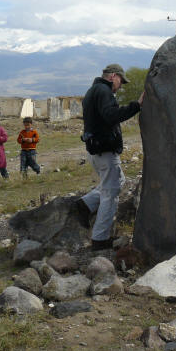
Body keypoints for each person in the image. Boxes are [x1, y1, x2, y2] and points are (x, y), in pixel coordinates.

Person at [75, 64, 144, 251]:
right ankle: (100, 239)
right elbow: (111, 115)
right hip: (105, 151)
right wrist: (136, 105)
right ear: (113, 76)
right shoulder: (104, 91)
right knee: (111, 193)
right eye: (121, 81)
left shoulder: (93, 91)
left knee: (118, 181)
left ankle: (85, 204)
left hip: (95, 150)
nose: (120, 85)